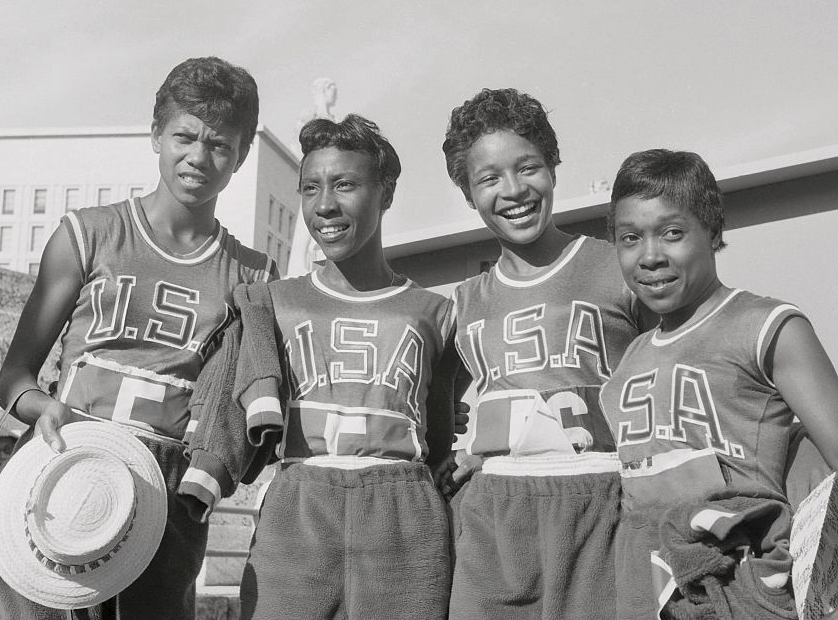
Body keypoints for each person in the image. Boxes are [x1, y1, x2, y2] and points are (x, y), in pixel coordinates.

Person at [0, 56, 276, 620]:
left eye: (220, 144)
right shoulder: (89, 233)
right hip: (66, 467)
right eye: (184, 136)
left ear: (242, 155)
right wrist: (40, 408)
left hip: (170, 491)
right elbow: (14, 375)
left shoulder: (252, 275)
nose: (199, 157)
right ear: (156, 135)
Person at [213, 113, 458, 620]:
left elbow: (440, 440)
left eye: (345, 184)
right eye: (310, 188)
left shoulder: (435, 313)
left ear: (386, 193)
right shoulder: (272, 303)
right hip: (298, 510)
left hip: (405, 518)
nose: (325, 205)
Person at [600, 149, 838, 619]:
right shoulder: (627, 362)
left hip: (743, 591)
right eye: (630, 238)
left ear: (713, 232)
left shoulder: (768, 326)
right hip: (649, 596)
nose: (650, 256)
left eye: (672, 233)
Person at [441, 88, 652, 620]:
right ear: (468, 193)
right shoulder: (464, 303)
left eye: (527, 167)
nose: (513, 190)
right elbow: (434, 413)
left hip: (605, 511)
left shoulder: (619, 266)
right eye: (489, 178)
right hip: (499, 528)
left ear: (553, 166)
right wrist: (466, 453)